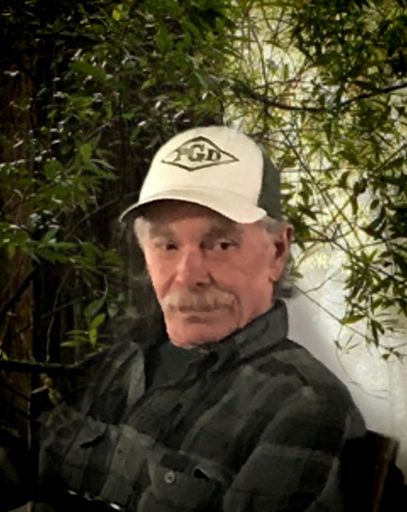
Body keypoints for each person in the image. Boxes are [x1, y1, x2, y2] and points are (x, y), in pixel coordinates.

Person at [3, 126, 367, 511]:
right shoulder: (128, 357)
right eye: (168, 245)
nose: (189, 275)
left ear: (277, 251)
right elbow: (41, 470)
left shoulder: (305, 404)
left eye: (221, 244)